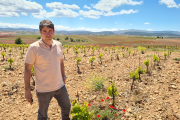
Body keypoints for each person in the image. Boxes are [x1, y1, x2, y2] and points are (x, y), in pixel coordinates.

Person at [24, 20, 71, 120]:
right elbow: (27, 69)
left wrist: (64, 76)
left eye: (50, 30)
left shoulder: (58, 45)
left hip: (60, 86)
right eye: (45, 31)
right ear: (40, 32)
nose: (48, 34)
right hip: (43, 89)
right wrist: (27, 90)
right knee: (43, 115)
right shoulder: (33, 48)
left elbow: (61, 62)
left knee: (67, 107)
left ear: (54, 31)